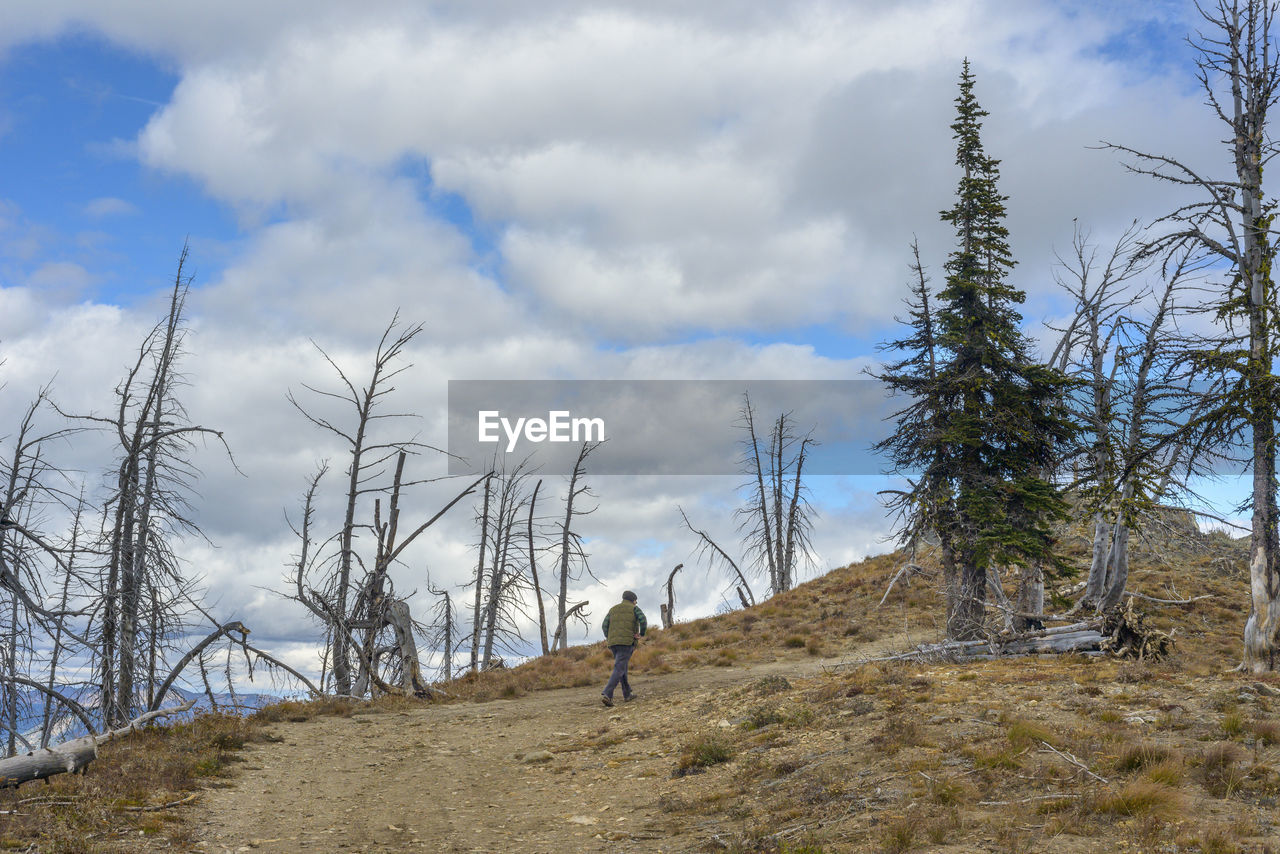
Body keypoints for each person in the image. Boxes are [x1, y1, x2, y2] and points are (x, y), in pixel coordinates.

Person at [600, 590, 646, 707]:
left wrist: (609, 637)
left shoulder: (613, 609)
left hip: (613, 643)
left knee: (622, 667)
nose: (636, 602)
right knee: (619, 668)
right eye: (636, 600)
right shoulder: (634, 608)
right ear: (633, 600)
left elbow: (604, 625)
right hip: (626, 642)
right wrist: (641, 633)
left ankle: (627, 694)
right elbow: (643, 619)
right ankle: (607, 694)